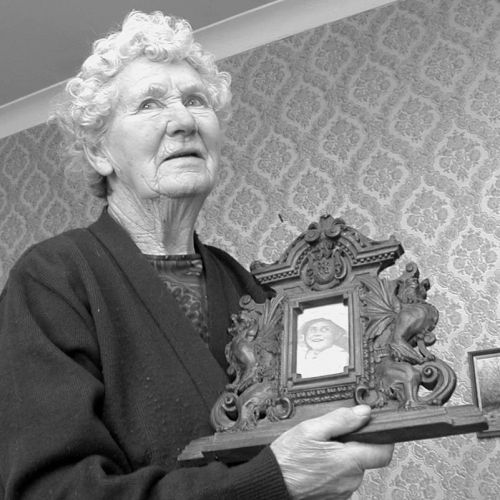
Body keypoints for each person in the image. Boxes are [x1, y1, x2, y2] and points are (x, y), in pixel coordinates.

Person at [0, 11, 393, 500]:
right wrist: (269, 482)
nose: (184, 121)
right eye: (148, 104)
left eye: (196, 101)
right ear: (99, 153)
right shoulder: (52, 279)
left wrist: (335, 438)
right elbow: (51, 491)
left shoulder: (251, 288)